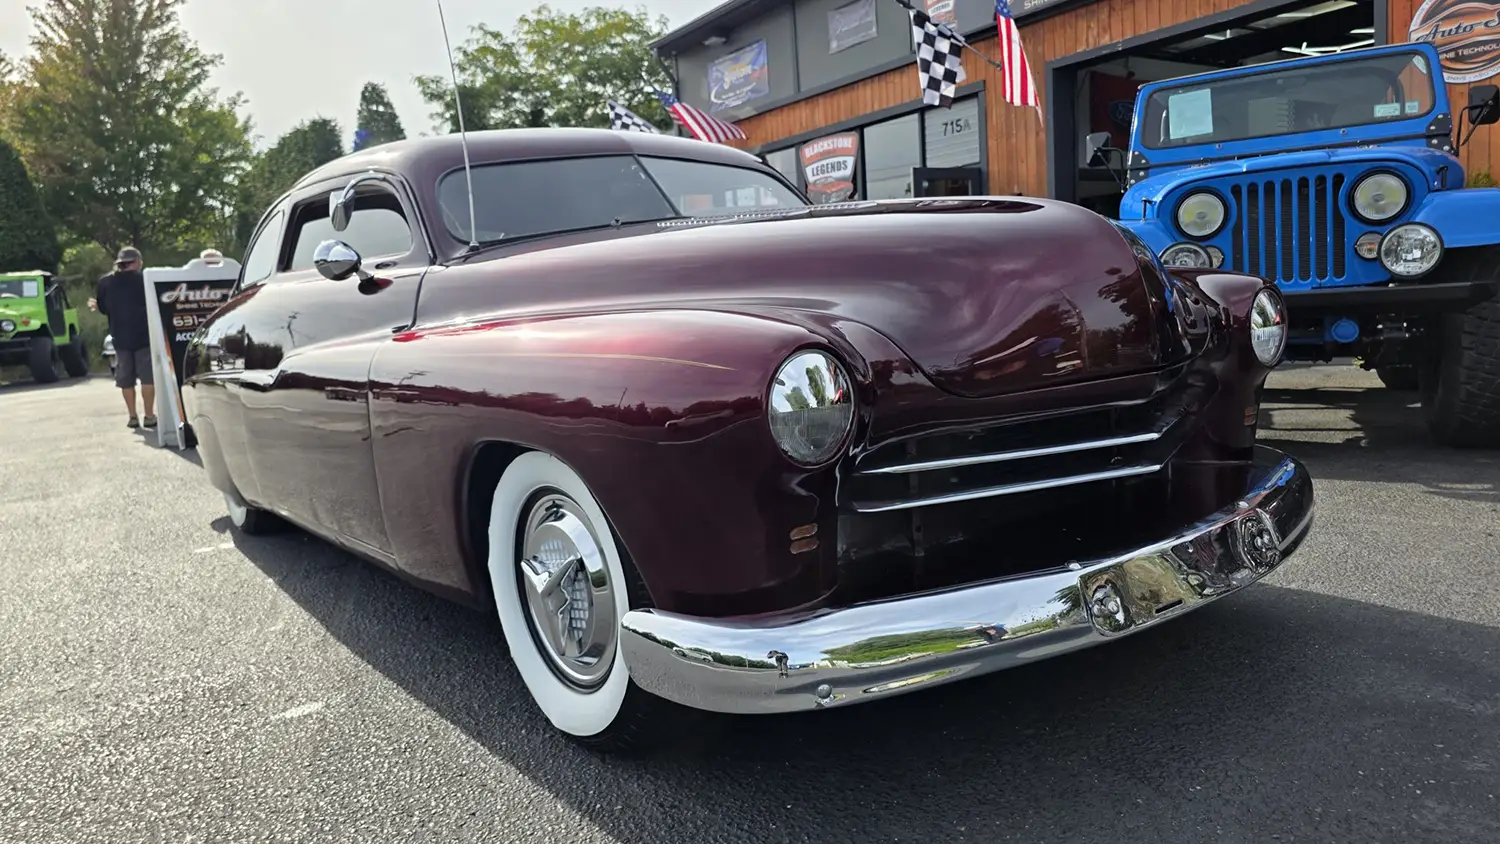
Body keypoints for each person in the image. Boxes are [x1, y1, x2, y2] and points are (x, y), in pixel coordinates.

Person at [88, 247, 155, 429]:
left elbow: (103, 308)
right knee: (148, 378)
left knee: (126, 378)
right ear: (137, 262)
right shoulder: (145, 280)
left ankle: (132, 416)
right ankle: (149, 415)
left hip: (120, 337)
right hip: (144, 337)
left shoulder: (105, 282)